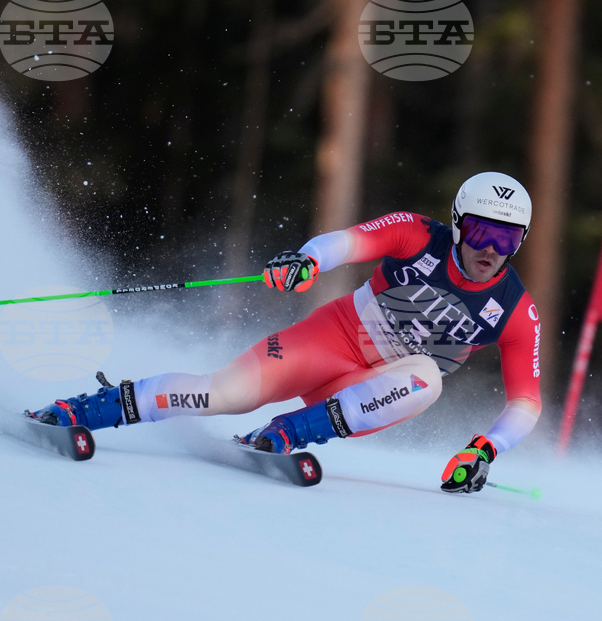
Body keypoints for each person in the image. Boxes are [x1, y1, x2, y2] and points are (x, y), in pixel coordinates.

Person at [29, 172, 542, 493]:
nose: (491, 248)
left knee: (427, 378)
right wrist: (307, 260)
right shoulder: (417, 233)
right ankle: (84, 410)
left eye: (507, 237)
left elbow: (527, 402)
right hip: (331, 340)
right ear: (457, 224)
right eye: (481, 231)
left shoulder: (515, 308)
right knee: (222, 393)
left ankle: (285, 434)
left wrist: (486, 449)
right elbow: (345, 242)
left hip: (373, 388)